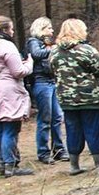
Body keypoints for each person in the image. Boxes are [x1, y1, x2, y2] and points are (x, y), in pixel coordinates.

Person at [49, 19, 99, 175]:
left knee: (72, 130)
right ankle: (98, 164)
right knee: (93, 129)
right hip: (90, 98)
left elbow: (52, 70)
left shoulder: (54, 52)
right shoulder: (86, 50)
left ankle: (74, 166)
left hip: (67, 99)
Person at [0, 16, 35, 178]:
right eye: (11, 29)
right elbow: (18, 71)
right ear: (4, 30)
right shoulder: (6, 46)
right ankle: (10, 166)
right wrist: (29, 63)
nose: (12, 32)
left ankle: (2, 164)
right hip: (7, 91)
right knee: (11, 128)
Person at [26, 17, 68, 164]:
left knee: (57, 117)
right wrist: (52, 49)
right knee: (45, 119)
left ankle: (59, 149)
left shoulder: (48, 44)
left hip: (52, 82)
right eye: (49, 28)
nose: (52, 31)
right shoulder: (33, 42)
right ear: (41, 29)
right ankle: (43, 152)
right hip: (41, 83)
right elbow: (37, 54)